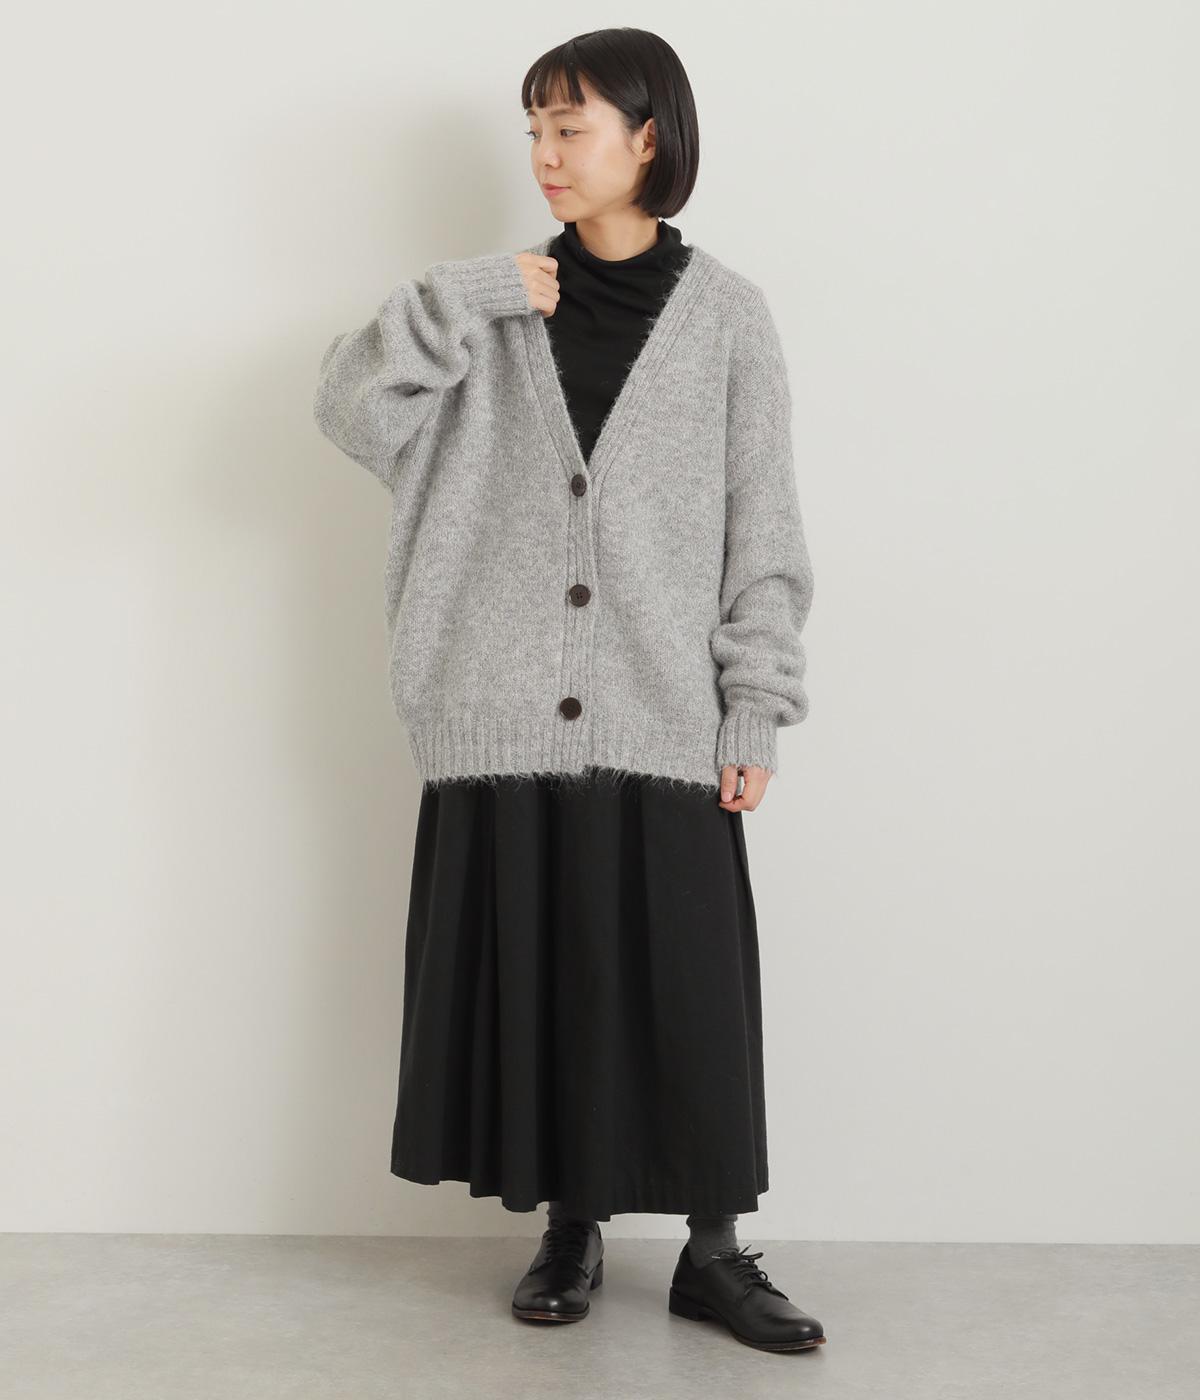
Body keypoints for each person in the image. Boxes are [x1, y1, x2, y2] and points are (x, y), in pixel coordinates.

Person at [312, 27, 825, 1354]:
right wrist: (464, 295)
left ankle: (715, 1254)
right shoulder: (489, 312)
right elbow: (353, 413)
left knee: (689, 995)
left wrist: (754, 705)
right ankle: (569, 1229)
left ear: (648, 139)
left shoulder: (730, 318)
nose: (543, 154)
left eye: (569, 127)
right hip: (497, 709)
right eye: (533, 128)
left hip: (665, 709)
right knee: (553, 991)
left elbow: (764, 535)